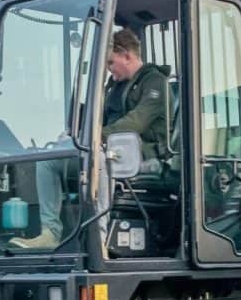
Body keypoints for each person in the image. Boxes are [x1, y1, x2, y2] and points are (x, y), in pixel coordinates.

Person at [9, 29, 170, 249]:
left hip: (141, 153)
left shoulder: (155, 82)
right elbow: (97, 118)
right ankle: (50, 233)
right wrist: (73, 134)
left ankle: (99, 239)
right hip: (105, 147)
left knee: (99, 159)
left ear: (127, 56)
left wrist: (95, 137)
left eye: (111, 62)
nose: (109, 69)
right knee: (48, 160)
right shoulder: (114, 87)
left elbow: (137, 122)